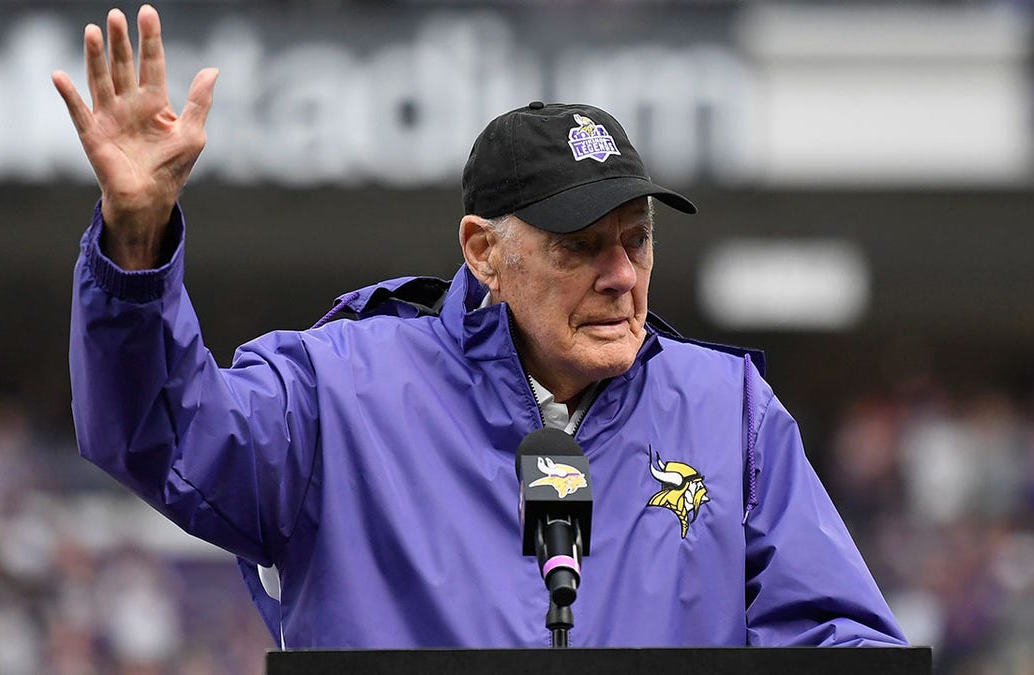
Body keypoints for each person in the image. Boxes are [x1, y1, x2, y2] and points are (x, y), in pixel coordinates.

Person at [56, 5, 907, 649]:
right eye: (581, 247)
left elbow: (837, 631)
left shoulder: (730, 411)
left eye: (637, 240)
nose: (621, 276)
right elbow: (164, 438)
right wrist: (135, 241)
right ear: (485, 252)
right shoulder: (339, 392)